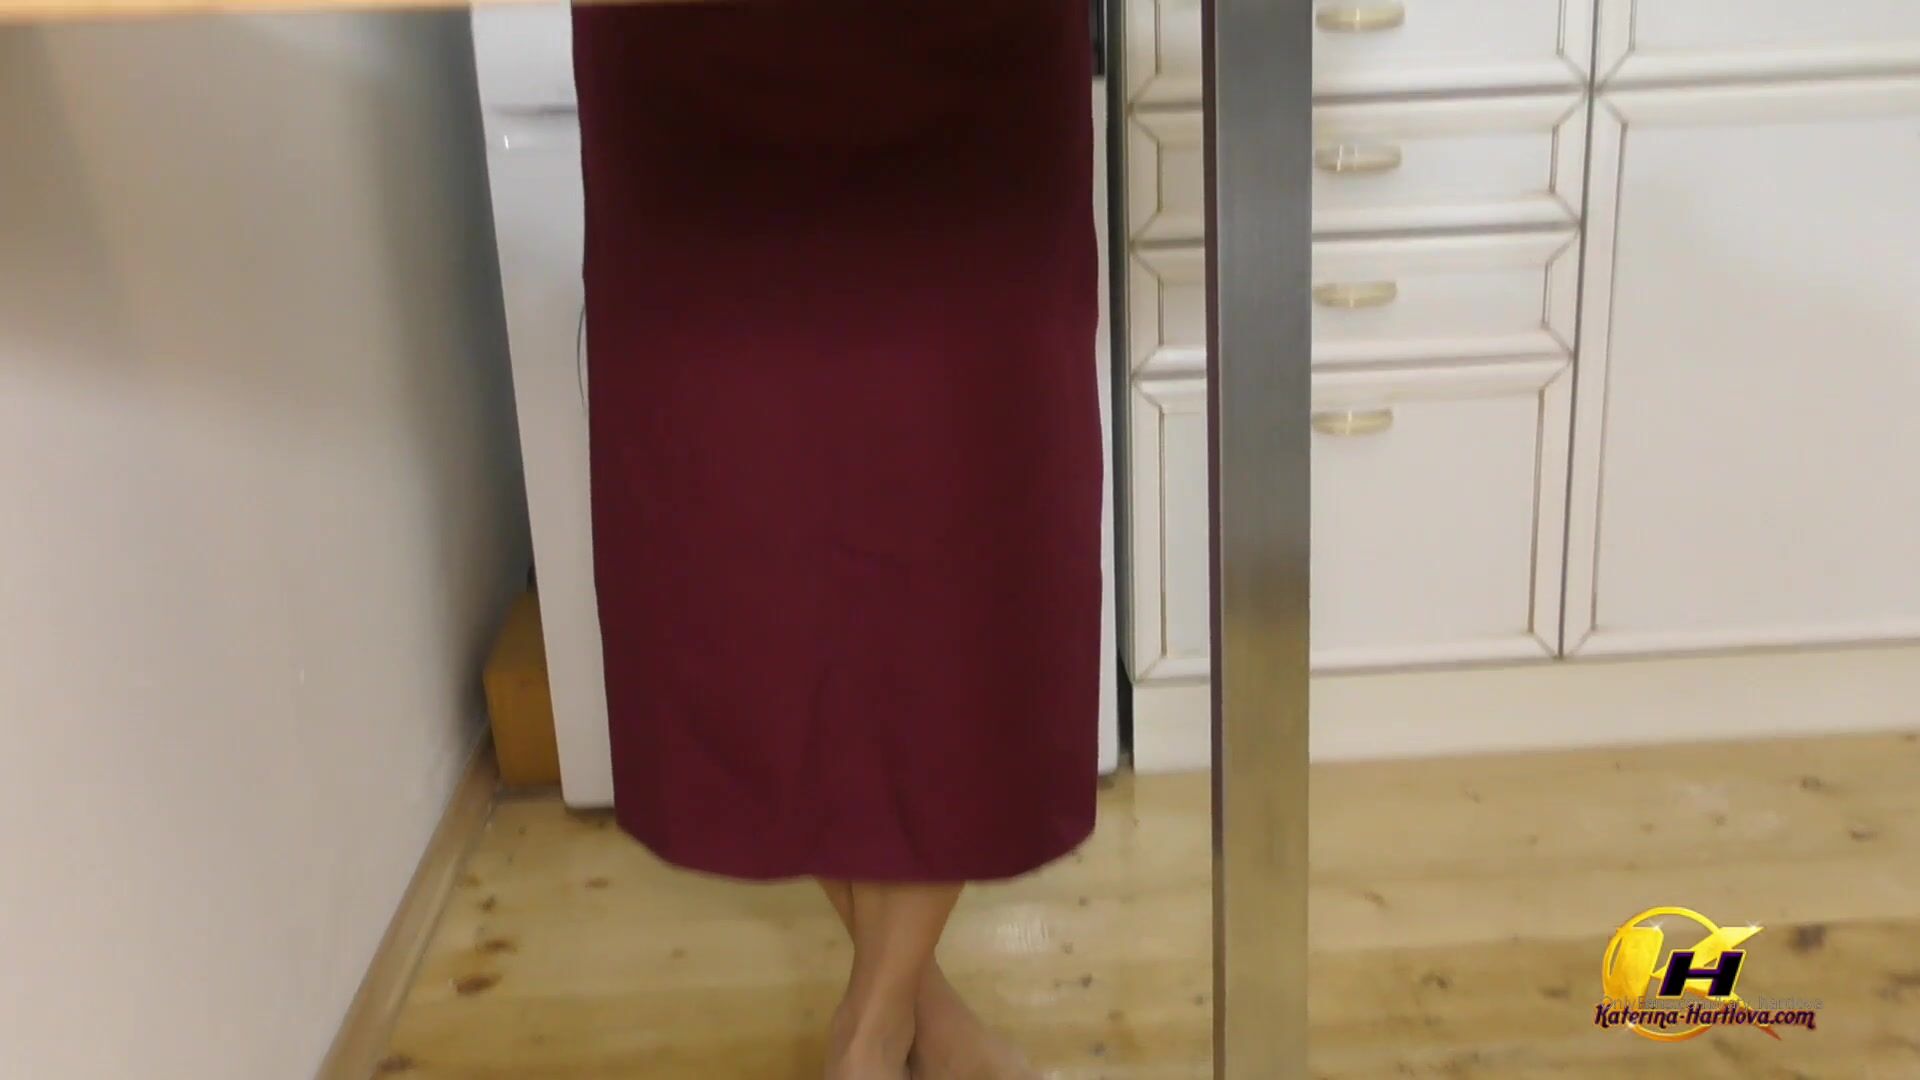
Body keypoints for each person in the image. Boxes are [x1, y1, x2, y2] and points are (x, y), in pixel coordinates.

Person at [571, 3, 1102, 1076]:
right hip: (696, 68)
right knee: (745, 532)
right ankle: (910, 1014)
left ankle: (869, 1032)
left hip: (969, 74)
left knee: (975, 528)